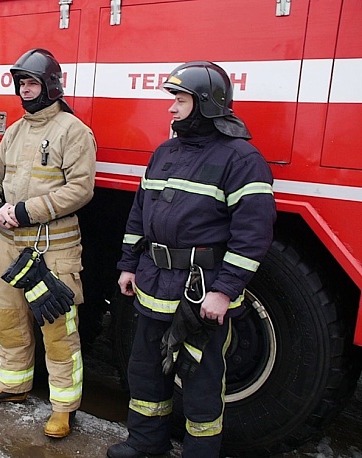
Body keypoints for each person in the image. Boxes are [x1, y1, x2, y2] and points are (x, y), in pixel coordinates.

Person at [107, 61, 276, 458]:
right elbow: (139, 212)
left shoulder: (242, 159)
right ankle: (146, 443)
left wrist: (225, 291)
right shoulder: (165, 152)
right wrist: (128, 264)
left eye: (180, 100)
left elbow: (253, 236)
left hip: (201, 294)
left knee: (201, 382)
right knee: (145, 370)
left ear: (205, 103)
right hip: (153, 282)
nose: (171, 108)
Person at [0, 48, 96, 438]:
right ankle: (13, 385)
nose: (25, 90)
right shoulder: (15, 130)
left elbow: (80, 189)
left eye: (32, 82)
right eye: (21, 82)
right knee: (8, 320)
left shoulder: (74, 131)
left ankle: (63, 408)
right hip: (9, 247)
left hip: (52, 251)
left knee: (57, 331)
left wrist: (25, 211)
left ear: (51, 85)